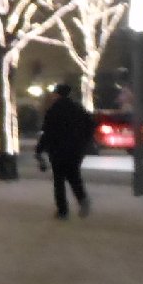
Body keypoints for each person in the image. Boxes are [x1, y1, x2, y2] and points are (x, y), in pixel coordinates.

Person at [35, 83, 94, 219]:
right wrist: (84, 142)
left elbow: (47, 132)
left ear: (57, 94)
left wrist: (39, 150)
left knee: (59, 181)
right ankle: (82, 199)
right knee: (74, 176)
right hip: (75, 150)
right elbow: (90, 125)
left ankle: (62, 210)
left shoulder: (53, 110)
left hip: (58, 150)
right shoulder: (78, 108)